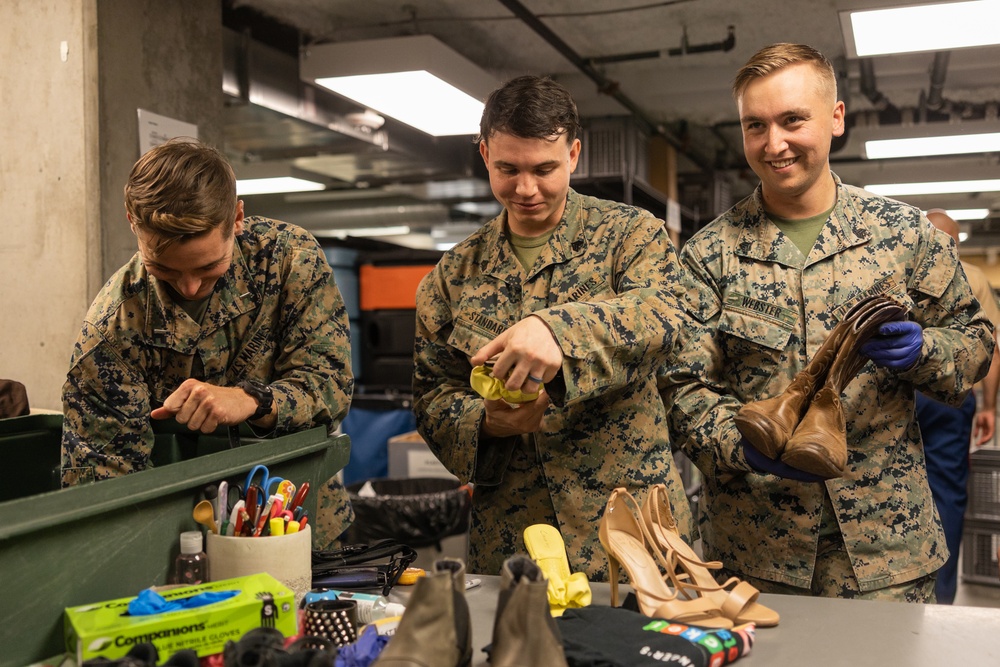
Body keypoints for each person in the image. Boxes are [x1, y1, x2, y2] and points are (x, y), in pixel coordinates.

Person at [661, 44, 994, 601]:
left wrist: (925, 353)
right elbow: (678, 386)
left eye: (793, 120)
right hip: (754, 554)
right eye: (755, 125)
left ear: (835, 118)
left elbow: (975, 342)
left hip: (885, 553)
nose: (774, 144)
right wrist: (740, 444)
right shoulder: (707, 255)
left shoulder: (904, 236)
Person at [412, 75, 693, 579]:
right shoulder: (451, 276)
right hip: (513, 539)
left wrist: (559, 332)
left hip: (630, 534)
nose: (526, 189)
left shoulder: (630, 235)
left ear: (573, 155)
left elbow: (669, 317)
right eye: (508, 169)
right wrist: (487, 422)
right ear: (484, 155)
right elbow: (432, 396)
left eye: (544, 168)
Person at [60, 138, 355, 540]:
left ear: (236, 217)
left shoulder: (289, 259)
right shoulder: (112, 331)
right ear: (132, 221)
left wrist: (252, 399)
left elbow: (331, 386)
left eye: (209, 266)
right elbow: (103, 486)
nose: (190, 286)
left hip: (300, 524)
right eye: (163, 269)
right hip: (181, 540)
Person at [917, 208, 1000, 604]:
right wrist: (988, 406)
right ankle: (942, 597)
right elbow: (993, 350)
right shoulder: (975, 277)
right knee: (947, 491)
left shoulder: (898, 267)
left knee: (882, 480)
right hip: (953, 394)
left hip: (904, 393)